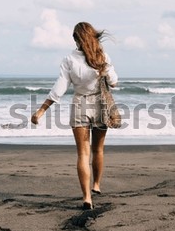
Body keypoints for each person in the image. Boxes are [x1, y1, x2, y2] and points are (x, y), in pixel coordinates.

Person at [31, 22, 118, 210]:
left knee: (82, 153)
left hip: (80, 104)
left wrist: (41, 110)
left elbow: (59, 89)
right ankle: (96, 185)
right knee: (98, 150)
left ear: (77, 39)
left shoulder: (69, 59)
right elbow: (114, 82)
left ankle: (87, 197)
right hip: (100, 105)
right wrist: (104, 71)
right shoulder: (102, 56)